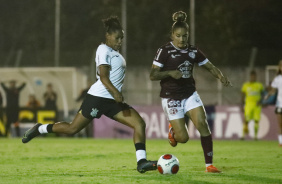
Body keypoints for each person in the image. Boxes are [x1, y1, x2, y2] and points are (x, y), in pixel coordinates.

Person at [22, 16, 157, 173]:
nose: (120, 41)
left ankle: (141, 162)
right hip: (98, 98)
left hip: (112, 101)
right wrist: (116, 92)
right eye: (117, 38)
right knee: (72, 129)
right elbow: (103, 77)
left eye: (122, 38)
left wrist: (115, 95)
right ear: (108, 36)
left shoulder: (116, 53)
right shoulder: (103, 49)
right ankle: (40, 129)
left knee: (139, 123)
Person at [150, 11, 232, 173]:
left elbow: (210, 66)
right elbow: (153, 75)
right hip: (171, 97)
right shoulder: (164, 51)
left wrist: (220, 76)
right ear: (172, 35)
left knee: (202, 124)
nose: (182, 39)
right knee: (183, 138)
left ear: (188, 35)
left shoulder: (193, 51)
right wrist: (170, 73)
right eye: (178, 36)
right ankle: (174, 131)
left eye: (185, 36)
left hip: (189, 94)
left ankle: (209, 165)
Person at [241, 70, 264, 140]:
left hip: (257, 105)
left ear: (256, 77)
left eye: (254, 76)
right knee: (246, 120)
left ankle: (255, 136)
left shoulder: (259, 85)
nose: (253, 77)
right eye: (252, 76)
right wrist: (242, 105)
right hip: (248, 104)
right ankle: (243, 136)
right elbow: (242, 95)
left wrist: (260, 101)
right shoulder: (246, 85)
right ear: (250, 77)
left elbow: (263, 94)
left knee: (256, 120)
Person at [265, 60, 282, 146]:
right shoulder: (277, 79)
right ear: (279, 68)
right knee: (280, 125)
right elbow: (273, 90)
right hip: (280, 104)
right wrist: (268, 95)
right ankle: (281, 142)